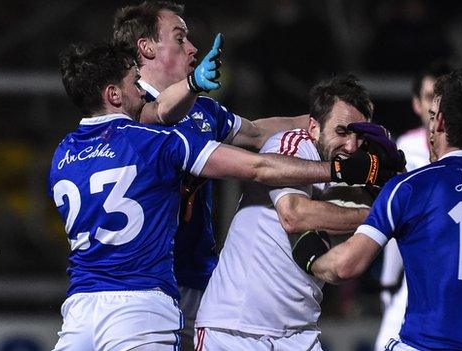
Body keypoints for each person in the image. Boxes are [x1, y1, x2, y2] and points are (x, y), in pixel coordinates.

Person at [50, 42, 398, 350]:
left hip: (80, 306)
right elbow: (258, 168)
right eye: (133, 84)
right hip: (143, 306)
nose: (141, 91)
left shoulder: (62, 156)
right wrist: (345, 173)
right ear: (114, 94)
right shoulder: (157, 143)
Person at [111, 3, 316, 348]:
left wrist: (321, 120)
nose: (192, 48)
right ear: (146, 47)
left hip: (197, 279)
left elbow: (255, 133)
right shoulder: (125, 110)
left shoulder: (202, 112)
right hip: (138, 285)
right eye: (180, 39)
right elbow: (154, 116)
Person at [295, 68, 462, 350]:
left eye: (434, 115)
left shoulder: (412, 186)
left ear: (440, 122)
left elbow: (344, 267)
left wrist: (311, 257)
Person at [193, 75, 402, 350]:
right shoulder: (292, 143)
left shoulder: (351, 175)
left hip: (299, 331)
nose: (351, 146)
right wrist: (380, 215)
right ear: (314, 128)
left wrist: (392, 186)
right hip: (236, 329)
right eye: (342, 132)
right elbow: (294, 215)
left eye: (359, 136)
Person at [375, 62, 462, 350]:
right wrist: (388, 281)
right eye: (430, 97)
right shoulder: (402, 150)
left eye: (442, 99)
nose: (437, 108)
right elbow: (394, 223)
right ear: (417, 104)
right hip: (416, 278)